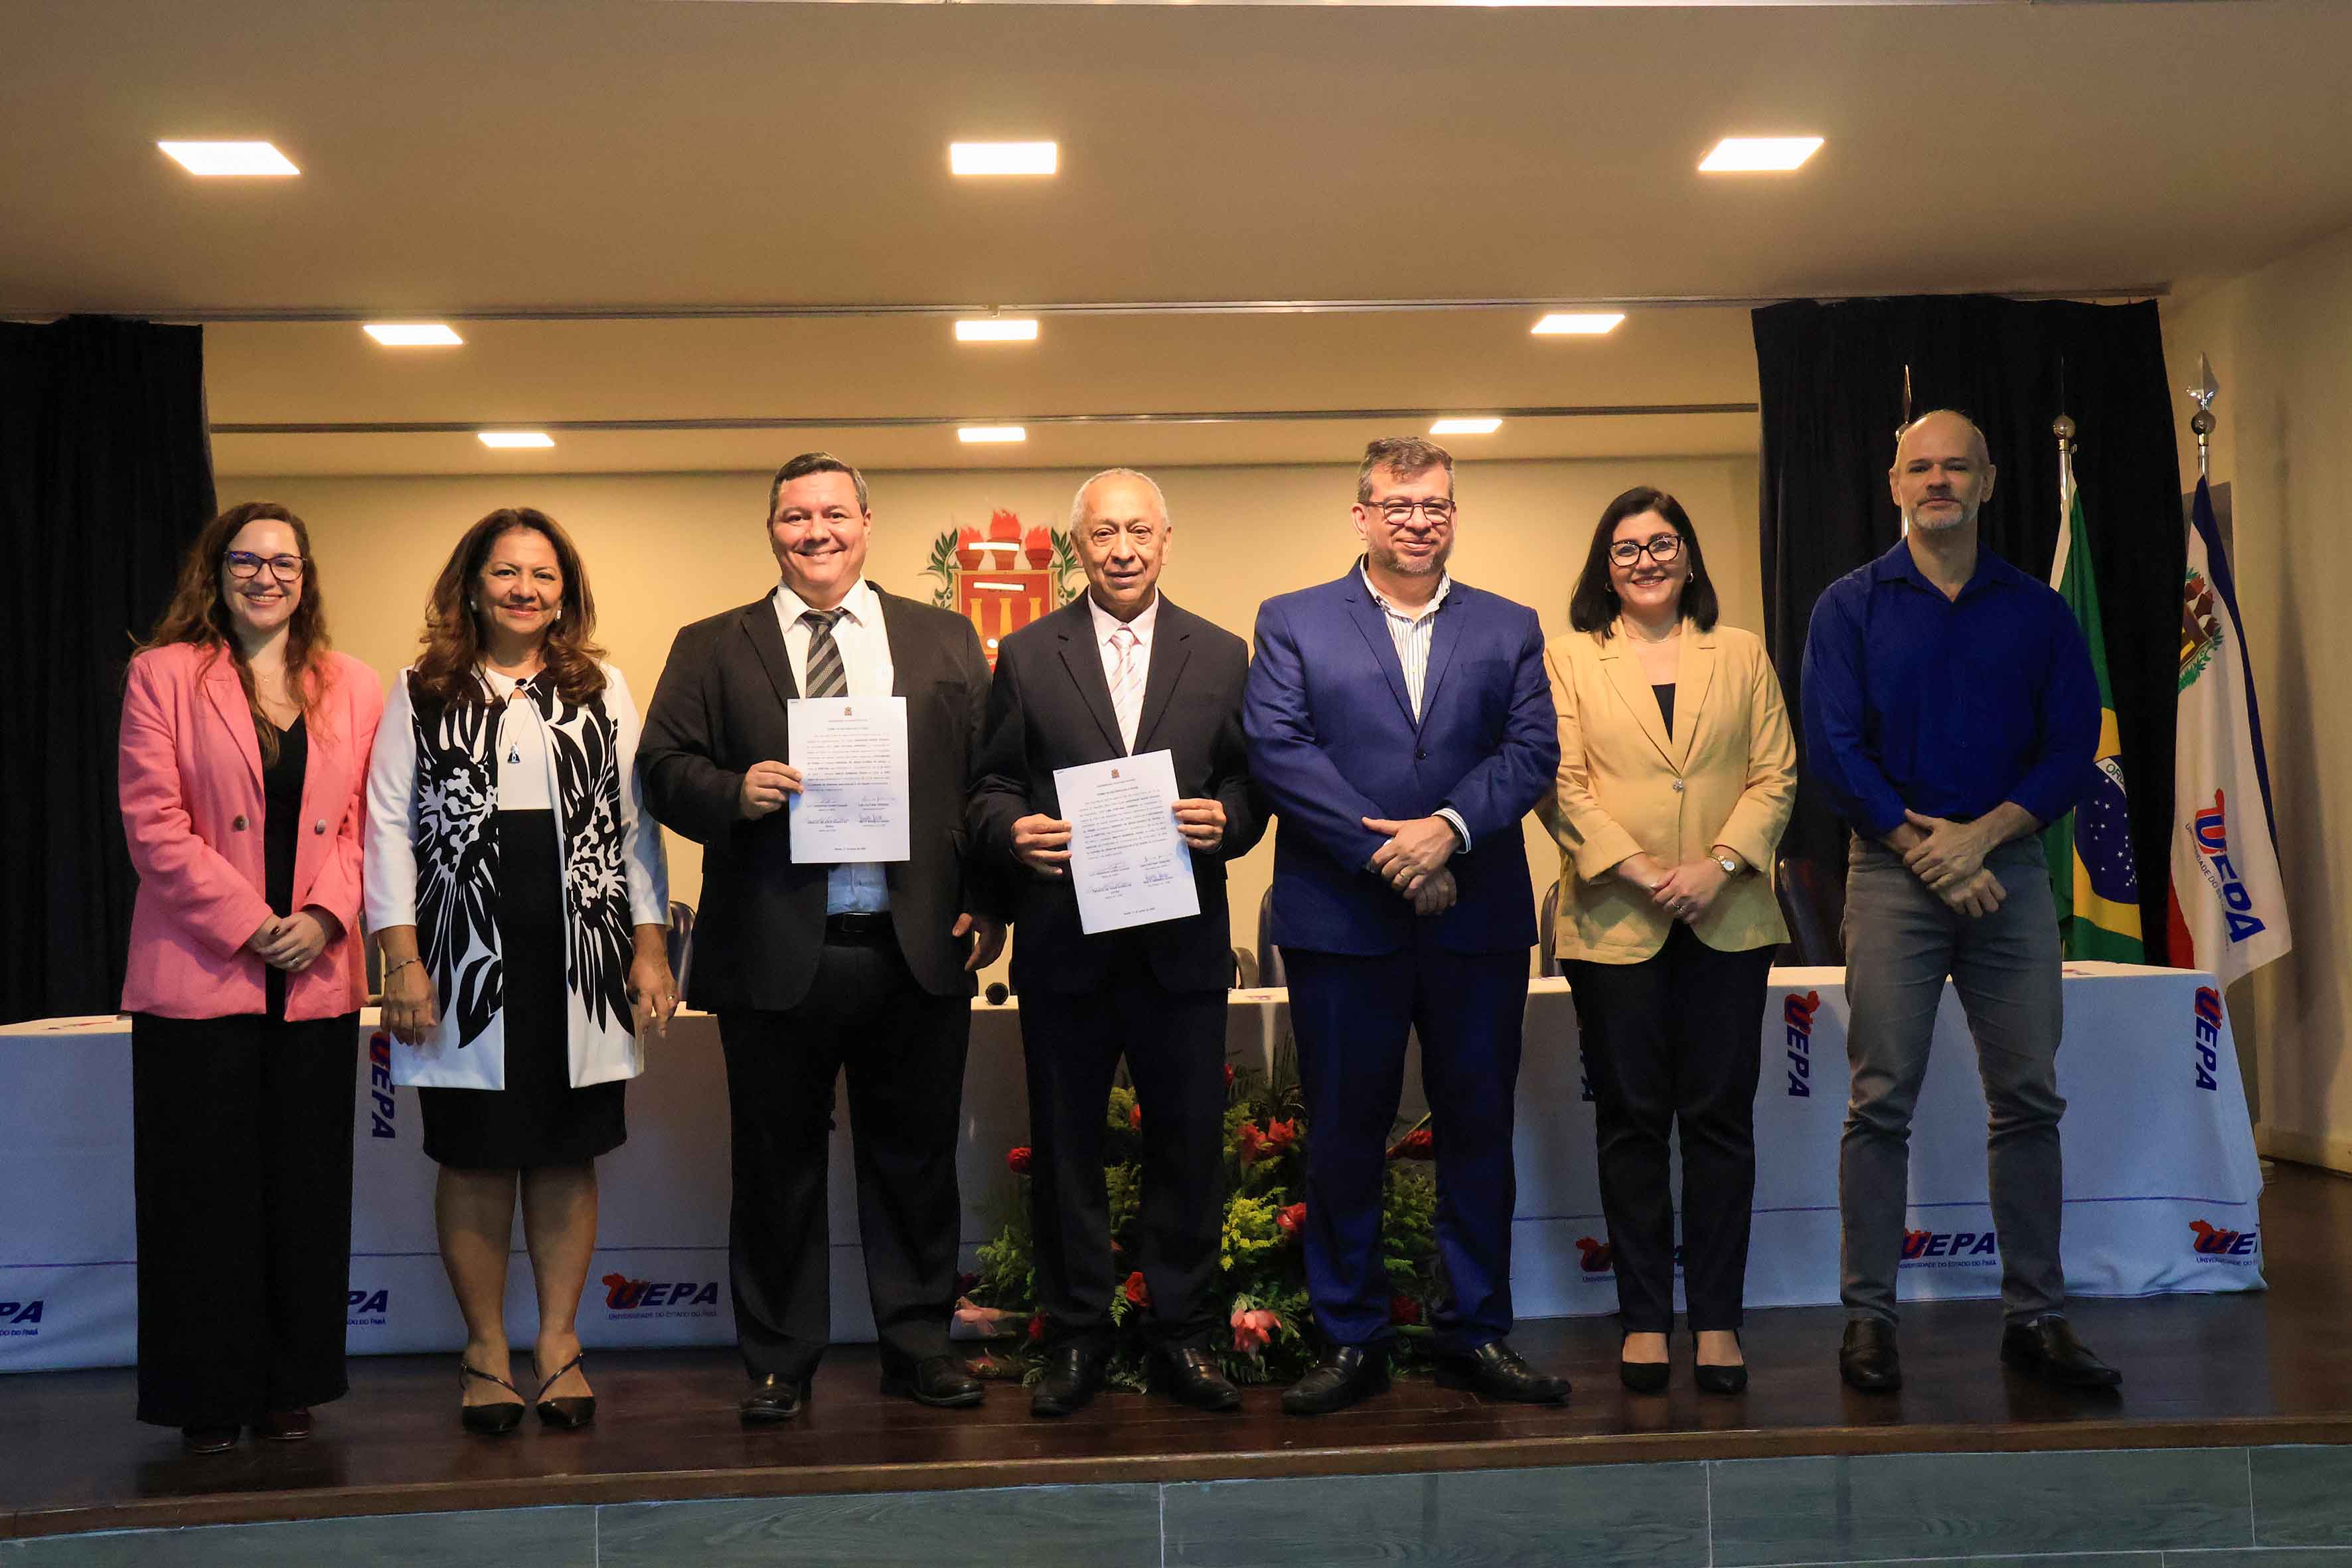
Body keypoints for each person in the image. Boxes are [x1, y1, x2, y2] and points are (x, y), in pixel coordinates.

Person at [637, 451, 1008, 1425]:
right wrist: (735, 792)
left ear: (868, 521)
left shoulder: (942, 637)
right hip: (773, 948)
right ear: (772, 529)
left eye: (833, 514)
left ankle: (921, 1344)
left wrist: (991, 898)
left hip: (914, 944)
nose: (816, 532)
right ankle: (778, 1360)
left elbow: (989, 781)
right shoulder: (715, 644)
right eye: (796, 516)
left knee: (916, 1161)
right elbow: (662, 768)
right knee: (774, 1166)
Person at [1243, 436, 1566, 1415]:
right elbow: (1277, 749)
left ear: (1453, 515)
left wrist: (1448, 831)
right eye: (1398, 504)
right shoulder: (1293, 620)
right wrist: (1389, 852)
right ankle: (1350, 1335)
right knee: (1344, 1129)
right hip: (1342, 919)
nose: (1418, 519)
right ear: (1362, 516)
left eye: (1435, 505)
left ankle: (1476, 1329)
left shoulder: (1509, 626)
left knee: (1478, 1127)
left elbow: (1532, 748)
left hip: (1476, 919)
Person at [1802, 409, 2120, 1393]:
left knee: (2027, 1098)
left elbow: (2073, 747)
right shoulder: (1848, 607)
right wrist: (1924, 847)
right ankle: (1868, 1321)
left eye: (1956, 468)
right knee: (1879, 1100)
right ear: (1894, 485)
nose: (1937, 481)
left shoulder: (2037, 612)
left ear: (1988, 482)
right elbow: (1834, 749)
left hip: (2009, 871)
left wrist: (1980, 837)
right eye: (1919, 468)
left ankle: (2036, 1316)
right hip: (1891, 873)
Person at [365, 507, 673, 1435]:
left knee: (564, 1151)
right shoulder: (423, 687)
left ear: (565, 592)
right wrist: (402, 956)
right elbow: (388, 822)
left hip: (578, 958)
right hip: (464, 961)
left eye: (543, 575)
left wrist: (650, 943)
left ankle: (560, 1343)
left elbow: (635, 823)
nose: (525, 589)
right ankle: (486, 1348)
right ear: (473, 585)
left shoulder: (601, 686)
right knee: (474, 1154)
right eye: (506, 572)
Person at [970, 469, 1265, 1417]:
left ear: (1168, 538)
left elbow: (1253, 783)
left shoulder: (1221, 653)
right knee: (1066, 1147)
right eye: (1105, 534)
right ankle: (1077, 1335)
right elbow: (989, 786)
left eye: (1141, 530)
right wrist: (1011, 830)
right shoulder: (1024, 653)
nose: (1125, 548)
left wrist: (1230, 818)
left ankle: (1184, 1334)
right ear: (1079, 547)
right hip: (1066, 944)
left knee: (1188, 1144)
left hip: (1180, 946)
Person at [118, 501, 382, 1453]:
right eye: (247, 559)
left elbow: (366, 823)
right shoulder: (163, 676)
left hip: (314, 975)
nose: (266, 576)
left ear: (306, 575)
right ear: (215, 570)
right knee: (202, 1196)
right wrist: (252, 923)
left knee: (304, 1193)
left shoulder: (351, 684)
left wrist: (319, 919)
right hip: (199, 974)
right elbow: (155, 827)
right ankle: (207, 1392)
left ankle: (289, 1383)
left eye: (284, 561)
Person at [1539, 487, 1796, 1395]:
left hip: (1728, 917)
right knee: (1632, 1119)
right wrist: (1648, 872)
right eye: (1625, 548)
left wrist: (1718, 863)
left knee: (1722, 1121)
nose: (1645, 560)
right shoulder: (1568, 659)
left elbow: (1776, 773)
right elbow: (1558, 783)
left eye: (1662, 543)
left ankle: (1719, 1319)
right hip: (1617, 920)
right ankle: (1645, 1317)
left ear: (1689, 556)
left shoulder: (1743, 653)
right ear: (1602, 567)